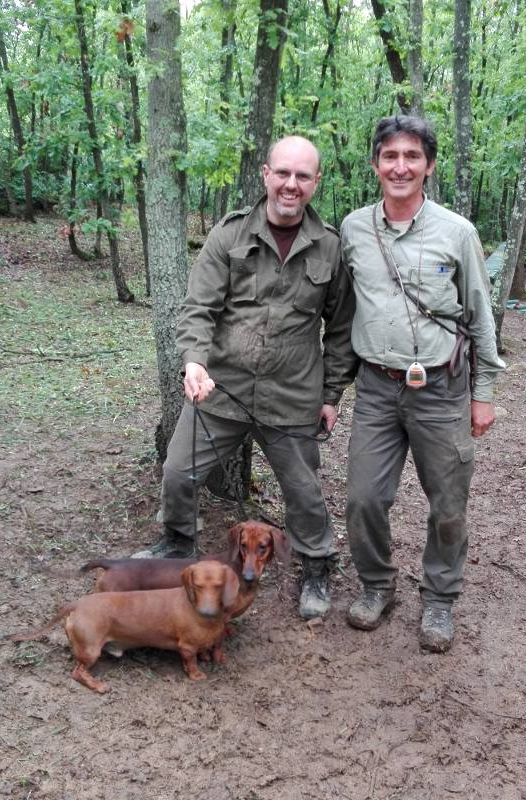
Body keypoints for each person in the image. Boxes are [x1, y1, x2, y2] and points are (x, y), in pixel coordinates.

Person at [136, 136, 357, 621]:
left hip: (293, 396)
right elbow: (198, 308)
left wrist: (332, 394)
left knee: (304, 493)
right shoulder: (229, 235)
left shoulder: (331, 248)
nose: (291, 184)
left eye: (303, 176)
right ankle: (177, 541)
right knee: (178, 472)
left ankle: (316, 566)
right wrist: (194, 361)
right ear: (265, 174)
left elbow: (340, 330)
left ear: (315, 182)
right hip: (225, 391)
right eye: (283, 173)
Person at [340, 115, 505, 652]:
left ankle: (438, 599)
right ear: (375, 165)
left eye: (412, 156)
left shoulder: (458, 232)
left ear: (429, 166)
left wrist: (482, 395)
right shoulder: (353, 229)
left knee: (448, 504)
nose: (400, 166)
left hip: (442, 388)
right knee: (364, 497)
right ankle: (377, 585)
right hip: (375, 386)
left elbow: (480, 318)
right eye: (390, 156)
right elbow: (341, 310)